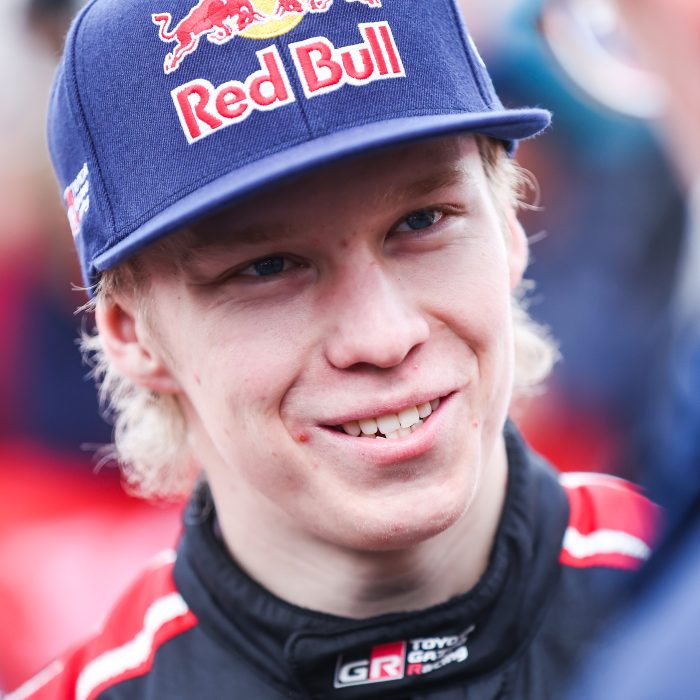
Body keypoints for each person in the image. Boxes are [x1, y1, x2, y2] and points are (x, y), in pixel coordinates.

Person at [7, 1, 657, 698]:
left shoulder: (674, 594)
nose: (382, 338)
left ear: (509, 226)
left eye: (422, 221)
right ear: (132, 335)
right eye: (267, 267)